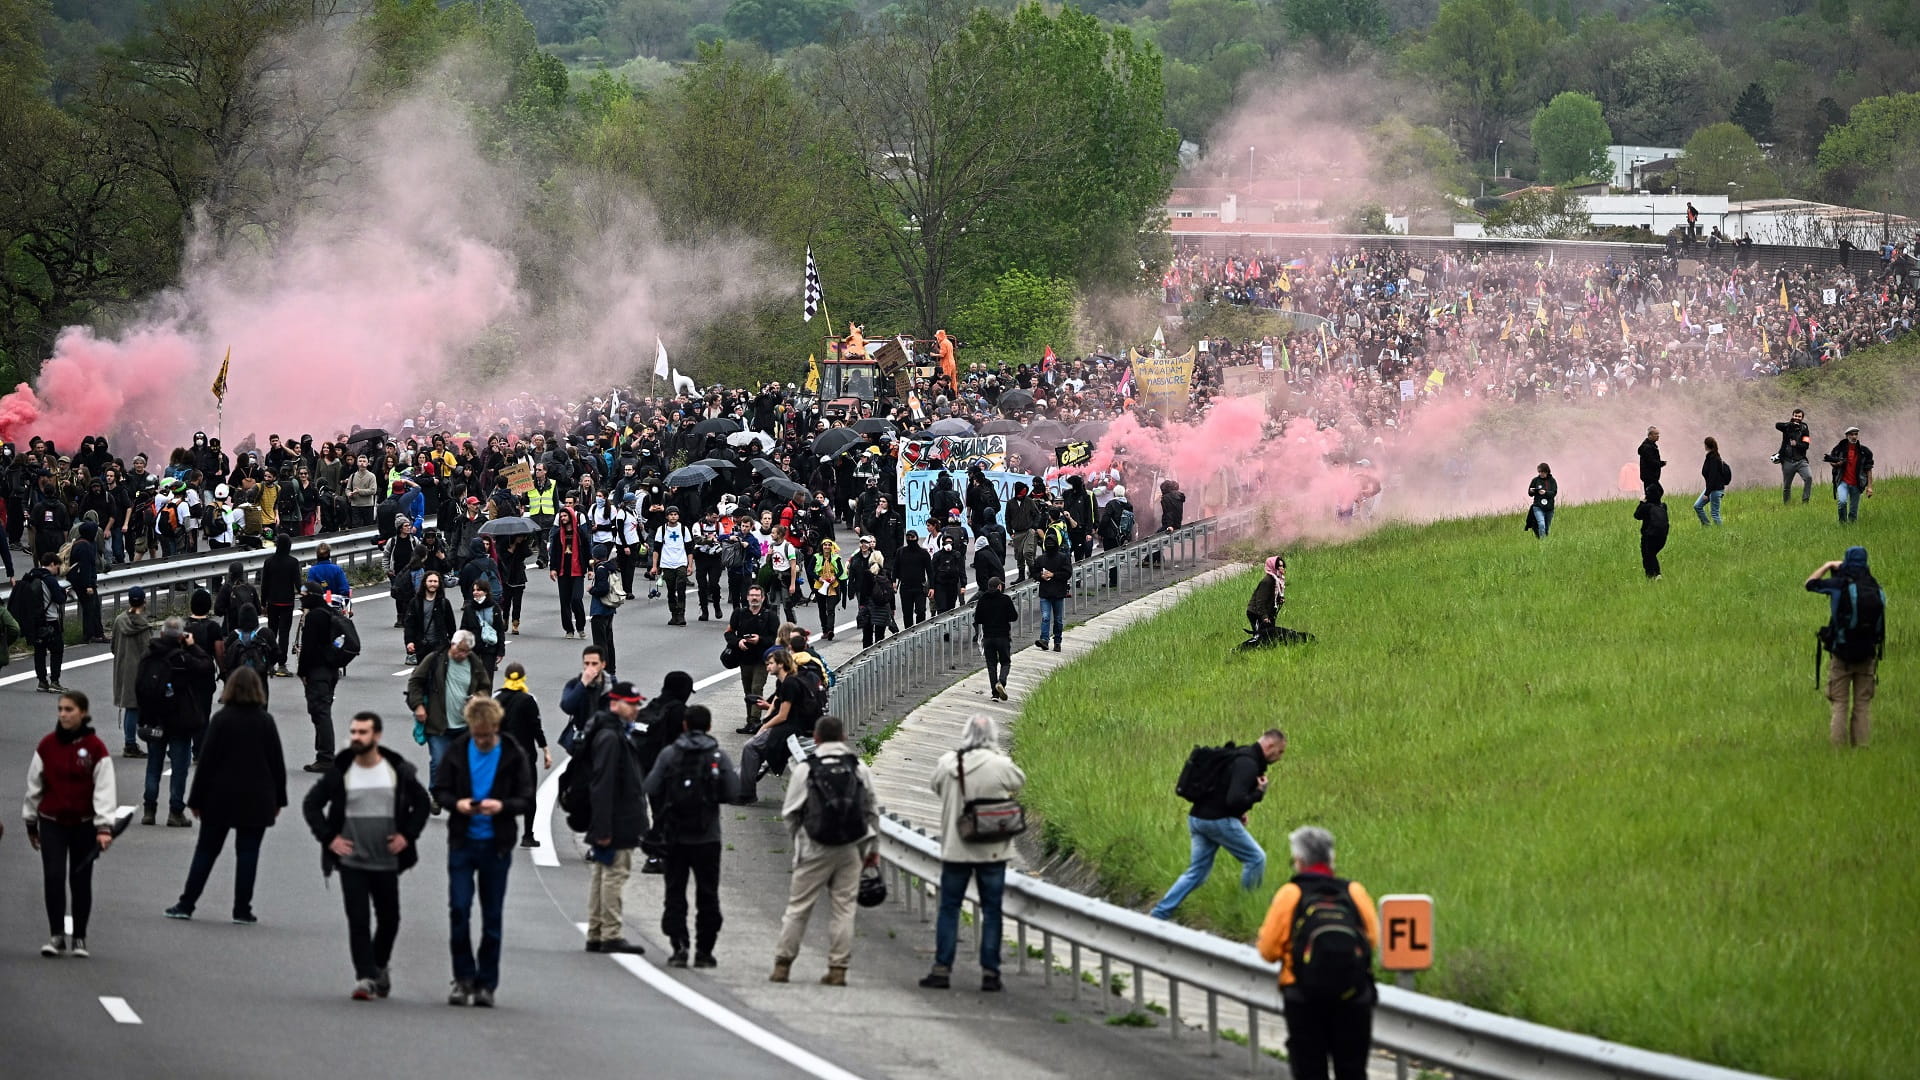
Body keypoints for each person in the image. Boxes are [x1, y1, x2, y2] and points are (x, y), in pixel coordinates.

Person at [303, 711, 431, 1001]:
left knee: (390, 919)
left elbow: (422, 803)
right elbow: (312, 804)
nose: (357, 737)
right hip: (352, 861)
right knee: (358, 919)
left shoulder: (395, 768)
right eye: (354, 732)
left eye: (363, 732)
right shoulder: (343, 769)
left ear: (377, 736)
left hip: (386, 861)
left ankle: (379, 964)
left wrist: (407, 836)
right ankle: (365, 977)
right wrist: (330, 838)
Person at [1255, 826, 1381, 1080]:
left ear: (1299, 861)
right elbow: (1373, 941)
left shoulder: (1291, 894)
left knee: (1310, 1070)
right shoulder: (1354, 891)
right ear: (1331, 858)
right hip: (1353, 995)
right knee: (1352, 1070)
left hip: (1303, 997)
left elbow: (1268, 951)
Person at [164, 667, 286, 923]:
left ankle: (186, 904)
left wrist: (195, 800)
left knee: (206, 851)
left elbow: (206, 763)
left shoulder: (221, 720)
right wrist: (279, 799)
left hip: (219, 797)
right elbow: (277, 763)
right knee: (248, 853)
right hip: (257, 798)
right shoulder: (265, 721)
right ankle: (242, 909)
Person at [433, 695, 532, 1008]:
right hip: (463, 842)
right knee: (459, 910)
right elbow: (442, 790)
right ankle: (462, 978)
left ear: (496, 729)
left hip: (496, 844)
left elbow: (526, 798)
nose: (482, 740)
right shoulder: (459, 750)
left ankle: (486, 982)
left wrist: (502, 806)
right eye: (478, 735)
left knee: (492, 917)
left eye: (487, 736)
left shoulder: (512, 753)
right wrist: (458, 804)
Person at [918, 715, 1026, 991]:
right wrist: (997, 754)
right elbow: (1019, 781)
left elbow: (935, 787)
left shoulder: (949, 763)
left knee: (949, 908)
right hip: (993, 849)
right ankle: (991, 972)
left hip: (957, 847)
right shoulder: (1001, 764)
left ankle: (942, 968)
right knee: (992, 910)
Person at [771, 714, 879, 987]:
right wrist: (870, 850)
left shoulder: (806, 769)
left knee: (798, 908)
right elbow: (871, 812)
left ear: (816, 738)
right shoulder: (858, 767)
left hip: (814, 846)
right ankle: (838, 968)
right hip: (850, 848)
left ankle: (783, 965)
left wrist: (800, 841)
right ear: (843, 737)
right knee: (843, 910)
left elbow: (791, 813)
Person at [1150, 729, 1286, 920]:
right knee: (1256, 859)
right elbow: (1234, 799)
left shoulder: (1239, 754)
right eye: (1280, 752)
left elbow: (1224, 791)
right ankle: (1244, 912)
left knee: (1197, 873)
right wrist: (1258, 794)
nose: (1279, 757)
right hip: (1217, 821)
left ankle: (1159, 914)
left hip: (1197, 818)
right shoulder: (1248, 764)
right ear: (1270, 746)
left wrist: (1239, 813)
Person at [23, 690, 118, 958]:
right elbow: (35, 786)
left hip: (84, 824)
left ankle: (79, 937)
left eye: (69, 709)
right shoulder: (47, 746)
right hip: (52, 822)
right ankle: (56, 936)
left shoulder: (96, 748)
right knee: (53, 876)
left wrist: (103, 827)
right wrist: (30, 822)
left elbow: (104, 789)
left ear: (83, 713)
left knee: (80, 879)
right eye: (61, 709)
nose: (63, 714)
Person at [644, 704, 738, 968]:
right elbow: (732, 792)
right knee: (708, 894)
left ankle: (679, 946)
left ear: (684, 725)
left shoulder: (669, 754)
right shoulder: (718, 756)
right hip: (708, 836)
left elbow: (650, 786)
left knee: (675, 892)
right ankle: (705, 951)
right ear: (709, 726)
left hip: (674, 836)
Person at [584, 681, 649, 954]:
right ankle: (610, 933)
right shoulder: (611, 737)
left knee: (602, 873)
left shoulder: (610, 732)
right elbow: (603, 784)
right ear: (615, 704)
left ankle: (596, 931)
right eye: (631, 704)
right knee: (614, 875)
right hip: (616, 820)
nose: (635, 709)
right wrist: (604, 827)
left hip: (612, 819)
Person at [136, 617, 216, 827]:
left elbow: (140, 686)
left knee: (153, 764)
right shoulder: (182, 658)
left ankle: (149, 810)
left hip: (155, 719)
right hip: (180, 721)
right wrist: (194, 646)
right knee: (180, 767)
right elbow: (207, 666)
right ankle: (175, 811)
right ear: (181, 636)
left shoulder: (149, 655)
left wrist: (144, 716)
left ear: (162, 634)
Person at [1806, 547, 1885, 748]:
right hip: (1868, 654)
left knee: (1840, 704)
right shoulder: (1875, 587)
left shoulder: (1838, 585)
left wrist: (1827, 566)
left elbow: (1810, 584)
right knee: (1862, 705)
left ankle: (1838, 750)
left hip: (1842, 653)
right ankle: (1862, 748)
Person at [406, 630, 494, 804]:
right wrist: (418, 706)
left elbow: (485, 686)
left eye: (466, 651)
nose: (462, 655)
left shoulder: (473, 662)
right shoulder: (435, 659)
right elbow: (415, 681)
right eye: (460, 650)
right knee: (439, 761)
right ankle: (436, 795)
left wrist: (479, 697)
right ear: (453, 645)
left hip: (465, 725)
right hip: (438, 723)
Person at [735, 648, 812, 804]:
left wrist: (764, 727)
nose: (767, 667)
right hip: (792, 724)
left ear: (781, 664)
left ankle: (746, 793)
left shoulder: (789, 684)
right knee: (753, 747)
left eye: (770, 664)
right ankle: (745, 788)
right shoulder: (786, 681)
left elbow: (783, 715)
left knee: (750, 747)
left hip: (792, 727)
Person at [495, 662, 551, 847]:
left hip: (501, 755)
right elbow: (536, 727)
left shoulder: (497, 698)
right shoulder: (529, 700)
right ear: (523, 677)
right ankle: (528, 835)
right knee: (528, 795)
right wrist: (545, 749)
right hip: (525, 756)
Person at [296, 586, 348, 772]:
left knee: (320, 713)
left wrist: (302, 672)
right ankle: (323, 755)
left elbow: (308, 648)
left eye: (304, 596)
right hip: (331, 670)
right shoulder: (330, 612)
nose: (302, 599)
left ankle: (325, 757)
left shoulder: (314, 617)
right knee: (322, 711)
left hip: (317, 672)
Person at [726, 585, 781, 735]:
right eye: (752, 595)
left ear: (763, 598)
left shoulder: (770, 616)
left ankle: (755, 721)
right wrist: (738, 642)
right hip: (744, 659)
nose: (754, 598)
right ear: (747, 597)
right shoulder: (739, 613)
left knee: (756, 688)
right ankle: (750, 719)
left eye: (757, 595)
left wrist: (759, 640)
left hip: (762, 659)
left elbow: (774, 638)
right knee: (747, 690)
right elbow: (729, 633)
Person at [108, 584, 154, 756]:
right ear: (144, 601)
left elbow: (113, 646)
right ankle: (133, 743)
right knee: (137, 707)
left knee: (129, 707)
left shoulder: (119, 620)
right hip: (140, 671)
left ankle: (129, 742)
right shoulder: (144, 625)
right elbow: (149, 651)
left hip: (123, 669)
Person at [18, 550, 70, 697]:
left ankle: (42, 681)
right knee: (56, 651)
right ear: (52, 564)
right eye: (57, 566)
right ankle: (55, 682)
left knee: (39, 652)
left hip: (35, 622)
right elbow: (59, 599)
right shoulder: (50, 579)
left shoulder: (30, 576)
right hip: (51, 621)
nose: (57, 569)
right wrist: (64, 592)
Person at [259, 533, 303, 677]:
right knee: (284, 633)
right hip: (287, 602)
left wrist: (263, 602)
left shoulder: (269, 562)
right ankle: (282, 665)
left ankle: (269, 662)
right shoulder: (293, 562)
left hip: (272, 602)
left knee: (271, 632)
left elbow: (264, 584)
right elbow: (298, 584)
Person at [558, 644, 610, 752]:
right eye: (587, 663)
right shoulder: (575, 684)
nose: (590, 667)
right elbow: (567, 707)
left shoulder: (611, 685)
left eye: (594, 664)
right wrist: (583, 684)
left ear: (603, 664)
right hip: (582, 741)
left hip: (605, 741)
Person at [972, 577, 1018, 701]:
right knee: (1005, 662)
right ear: (999, 587)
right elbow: (1014, 617)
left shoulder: (982, 600)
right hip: (1003, 636)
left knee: (991, 665)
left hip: (988, 638)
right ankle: (1001, 682)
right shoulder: (1005, 599)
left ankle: (995, 694)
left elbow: (978, 619)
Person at [549, 505, 590, 639]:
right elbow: (554, 553)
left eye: (565, 516)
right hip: (563, 572)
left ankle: (581, 627)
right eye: (561, 516)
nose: (563, 518)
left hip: (577, 571)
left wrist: (591, 569)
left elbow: (587, 552)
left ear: (571, 517)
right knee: (564, 601)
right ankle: (569, 629)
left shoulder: (580, 534)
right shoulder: (557, 535)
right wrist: (553, 569)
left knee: (576, 599)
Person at [1822, 425, 1874, 525]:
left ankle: (1851, 526)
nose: (1854, 436)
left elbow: (1869, 469)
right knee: (1842, 502)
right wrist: (1837, 464)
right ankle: (1842, 524)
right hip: (1843, 481)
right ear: (1847, 436)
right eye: (1851, 434)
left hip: (1857, 484)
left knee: (1853, 510)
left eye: (1856, 434)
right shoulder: (1839, 449)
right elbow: (1831, 460)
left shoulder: (1864, 451)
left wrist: (1869, 487)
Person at [651, 506, 692, 626]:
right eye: (671, 514)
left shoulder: (684, 529)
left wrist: (690, 565)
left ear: (678, 516)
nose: (673, 516)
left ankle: (681, 614)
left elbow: (689, 549)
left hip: (681, 563)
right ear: (667, 516)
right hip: (667, 563)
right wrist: (654, 566)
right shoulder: (661, 530)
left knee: (681, 587)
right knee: (670, 590)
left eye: (675, 514)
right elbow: (656, 549)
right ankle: (673, 614)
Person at [406, 570, 456, 666]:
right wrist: (409, 641)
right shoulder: (415, 603)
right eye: (430, 581)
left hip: (440, 645)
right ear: (425, 583)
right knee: (424, 675)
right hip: (422, 645)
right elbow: (410, 624)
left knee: (438, 675)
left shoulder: (444, 603)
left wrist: (453, 643)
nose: (433, 584)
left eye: (435, 581)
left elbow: (451, 625)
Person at [460, 578, 507, 676]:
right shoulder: (469, 608)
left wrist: (500, 651)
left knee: (487, 679)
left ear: (486, 592)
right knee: (472, 680)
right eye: (474, 590)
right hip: (473, 649)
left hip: (489, 649)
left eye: (478, 590)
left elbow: (499, 630)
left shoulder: (494, 607)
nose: (475, 592)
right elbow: (463, 629)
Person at [1033, 533, 1072, 652]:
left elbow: (1067, 573)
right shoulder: (1040, 559)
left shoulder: (1063, 558)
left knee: (1058, 619)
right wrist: (1040, 576)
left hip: (1058, 592)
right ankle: (1044, 639)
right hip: (1046, 592)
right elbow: (1033, 573)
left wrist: (1054, 575)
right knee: (1045, 617)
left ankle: (1057, 641)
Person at [587, 543, 621, 674]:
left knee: (600, 643)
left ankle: (603, 668)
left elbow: (603, 589)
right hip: (609, 609)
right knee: (608, 641)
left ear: (595, 557)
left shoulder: (600, 569)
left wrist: (592, 590)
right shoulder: (609, 567)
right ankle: (611, 668)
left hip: (599, 610)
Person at [895, 531, 933, 628]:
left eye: (912, 537)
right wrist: (893, 581)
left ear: (917, 537)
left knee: (921, 611)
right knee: (907, 613)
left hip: (919, 587)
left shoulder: (923, 553)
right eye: (908, 537)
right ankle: (908, 635)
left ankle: (920, 632)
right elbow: (895, 568)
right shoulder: (901, 552)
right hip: (905, 586)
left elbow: (930, 571)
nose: (910, 539)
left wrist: (932, 587)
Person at [1775, 409, 1814, 504]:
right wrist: (1790, 425)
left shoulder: (1805, 428)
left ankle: (1805, 501)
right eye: (1795, 416)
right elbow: (1777, 425)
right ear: (1792, 416)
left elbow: (1806, 445)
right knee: (1786, 486)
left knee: (1809, 477)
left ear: (1802, 418)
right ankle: (1787, 505)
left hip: (1801, 460)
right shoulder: (1787, 427)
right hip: (1788, 460)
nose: (1797, 418)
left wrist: (1797, 444)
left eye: (1799, 416)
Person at [1633, 483, 1669, 580]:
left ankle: (1654, 575)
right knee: (1652, 554)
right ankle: (1655, 575)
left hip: (1649, 536)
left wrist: (1641, 502)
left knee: (1648, 555)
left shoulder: (1647, 507)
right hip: (1662, 537)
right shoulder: (1663, 506)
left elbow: (1636, 515)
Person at [1694, 437, 1731, 526]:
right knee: (1697, 506)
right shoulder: (1711, 457)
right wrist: (1708, 491)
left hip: (1715, 490)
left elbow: (1712, 478)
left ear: (1706, 445)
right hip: (1711, 488)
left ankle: (1720, 532)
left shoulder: (1714, 459)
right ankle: (1706, 525)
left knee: (1715, 514)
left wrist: (1707, 493)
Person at [1248, 555, 1285, 633]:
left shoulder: (1277, 580)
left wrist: (1279, 599)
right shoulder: (1267, 582)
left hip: (1267, 612)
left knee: (1270, 634)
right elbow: (1260, 601)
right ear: (1273, 567)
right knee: (1261, 636)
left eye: (1283, 566)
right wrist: (1264, 617)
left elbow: (1272, 597)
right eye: (1279, 566)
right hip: (1256, 613)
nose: (1282, 568)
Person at [1525, 464, 1556, 538]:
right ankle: (1543, 542)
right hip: (1538, 507)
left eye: (1542, 472)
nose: (1540, 474)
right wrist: (1532, 491)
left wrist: (1545, 492)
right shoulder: (1535, 480)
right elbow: (1530, 493)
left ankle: (1544, 542)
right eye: (1539, 472)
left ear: (1547, 471)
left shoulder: (1552, 481)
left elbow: (1554, 493)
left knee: (1546, 528)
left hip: (1549, 508)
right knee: (1541, 524)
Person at [1637, 425, 1665, 497]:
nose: (1658, 436)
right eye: (1655, 434)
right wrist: (1661, 463)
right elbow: (1651, 462)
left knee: (1653, 493)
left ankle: (1649, 505)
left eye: (1658, 434)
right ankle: (1648, 505)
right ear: (1650, 435)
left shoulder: (1651, 446)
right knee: (1658, 491)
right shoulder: (1647, 447)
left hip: (1651, 476)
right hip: (1649, 476)